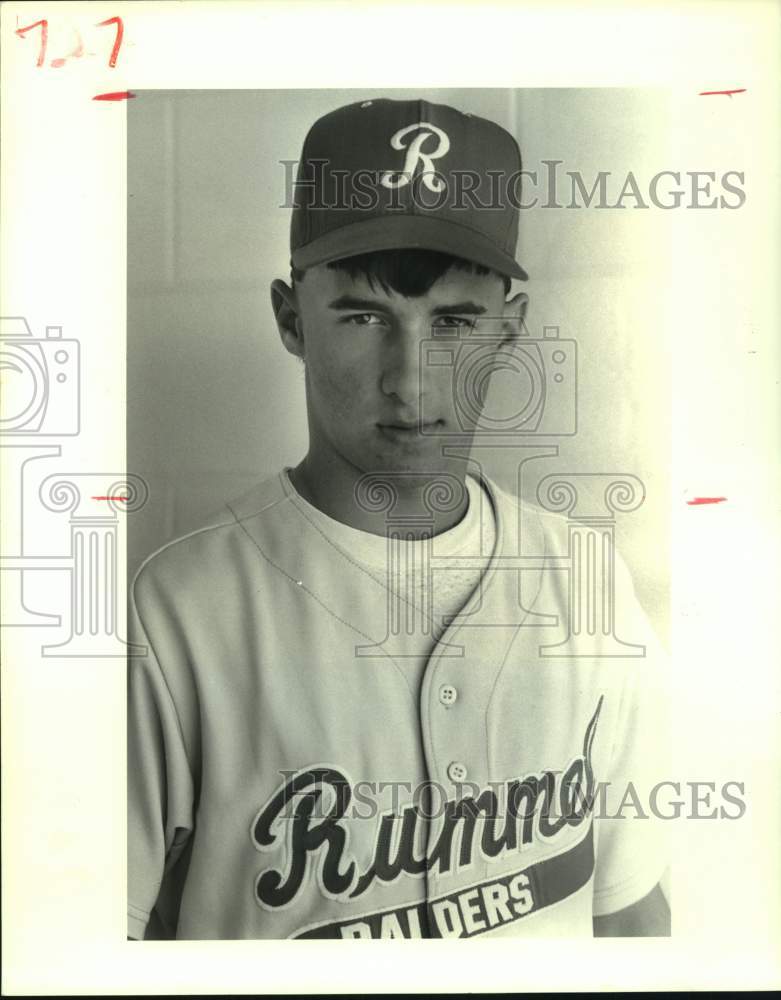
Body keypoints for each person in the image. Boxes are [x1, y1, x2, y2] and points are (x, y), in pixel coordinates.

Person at [127, 97, 670, 940]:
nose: (410, 381)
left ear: (509, 330)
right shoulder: (173, 614)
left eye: (452, 321)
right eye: (363, 316)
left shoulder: (588, 583)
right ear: (288, 318)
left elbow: (629, 913)